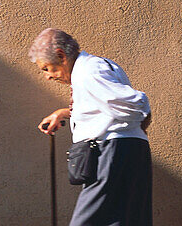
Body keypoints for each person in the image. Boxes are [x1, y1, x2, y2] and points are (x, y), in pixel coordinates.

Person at [30, 28, 152, 226]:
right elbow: (106, 108)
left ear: (61, 55)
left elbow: (137, 103)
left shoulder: (88, 72)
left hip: (111, 152)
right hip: (124, 150)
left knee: (87, 222)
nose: (47, 76)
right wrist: (63, 113)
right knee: (120, 220)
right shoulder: (95, 67)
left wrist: (140, 123)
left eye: (46, 68)